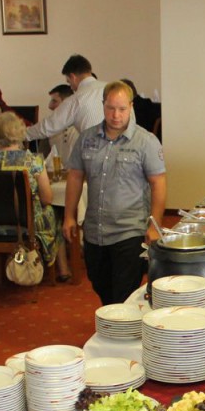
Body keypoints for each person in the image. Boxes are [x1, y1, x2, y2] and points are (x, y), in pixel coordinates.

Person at [64, 80, 165, 305]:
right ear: (103, 105)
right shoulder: (86, 138)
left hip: (129, 231)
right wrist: (69, 215)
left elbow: (158, 183)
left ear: (131, 107)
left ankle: (119, 324)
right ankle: (113, 320)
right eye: (110, 108)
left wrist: (154, 225)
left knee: (123, 293)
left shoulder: (145, 141)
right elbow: (75, 176)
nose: (116, 115)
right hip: (95, 231)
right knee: (101, 285)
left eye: (121, 109)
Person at [0, 111, 68, 281]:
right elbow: (47, 198)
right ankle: (63, 270)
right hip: (28, 225)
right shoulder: (32, 161)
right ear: (19, 132)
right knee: (55, 212)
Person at [25, 54, 108, 146]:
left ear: (73, 77)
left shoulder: (76, 99)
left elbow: (49, 126)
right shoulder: (111, 88)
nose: (71, 87)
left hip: (95, 150)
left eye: (69, 82)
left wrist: (22, 134)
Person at [45, 83, 77, 164]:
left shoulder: (81, 128)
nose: (50, 106)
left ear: (67, 103)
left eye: (54, 101)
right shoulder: (50, 128)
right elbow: (42, 160)